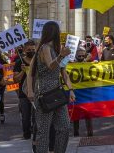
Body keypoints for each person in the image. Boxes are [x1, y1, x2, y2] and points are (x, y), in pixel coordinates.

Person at [26, 21, 75, 153]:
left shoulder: (57, 49)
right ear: (54, 32)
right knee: (44, 131)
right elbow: (51, 66)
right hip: (44, 92)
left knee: (64, 126)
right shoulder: (44, 48)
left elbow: (64, 73)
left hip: (57, 91)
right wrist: (61, 56)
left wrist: (70, 90)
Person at [13, 39, 36, 139]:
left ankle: (36, 135)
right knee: (26, 117)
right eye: (29, 49)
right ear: (24, 50)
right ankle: (26, 135)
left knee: (36, 117)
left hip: (37, 92)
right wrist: (22, 71)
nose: (31, 51)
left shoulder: (38, 61)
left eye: (33, 49)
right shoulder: (19, 62)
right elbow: (15, 80)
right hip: (24, 94)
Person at [72, 47, 94, 137]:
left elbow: (91, 55)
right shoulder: (71, 64)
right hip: (76, 93)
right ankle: (76, 133)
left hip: (86, 93)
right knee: (75, 114)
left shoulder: (88, 64)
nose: (81, 57)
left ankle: (90, 133)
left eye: (82, 55)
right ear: (75, 56)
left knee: (88, 114)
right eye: (79, 56)